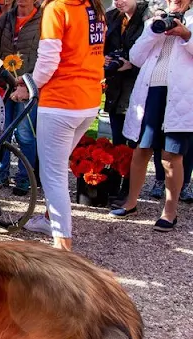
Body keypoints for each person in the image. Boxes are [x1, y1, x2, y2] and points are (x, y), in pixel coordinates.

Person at [11, 0, 106, 250]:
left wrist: (28, 86)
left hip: (62, 101)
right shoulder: (92, 7)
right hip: (88, 100)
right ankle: (48, 219)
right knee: (57, 167)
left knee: (52, 175)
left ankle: (62, 247)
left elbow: (49, 61)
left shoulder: (58, 8)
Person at [110, 0, 193, 232]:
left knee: (171, 156)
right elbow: (136, 57)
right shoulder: (154, 19)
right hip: (151, 93)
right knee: (141, 150)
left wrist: (186, 35)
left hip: (180, 97)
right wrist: (152, 31)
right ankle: (131, 203)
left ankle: (170, 211)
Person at [0, 0, 40, 196]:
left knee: (25, 134)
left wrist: (30, 82)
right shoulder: (6, 18)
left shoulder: (43, 19)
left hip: (28, 85)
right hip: (4, 85)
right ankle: (0, 174)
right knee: (1, 132)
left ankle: (24, 178)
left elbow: (45, 56)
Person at [103, 0, 151, 202]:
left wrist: (131, 65)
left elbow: (155, 54)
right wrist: (104, 58)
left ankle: (129, 189)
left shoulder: (148, 17)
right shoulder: (111, 16)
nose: (119, 1)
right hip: (115, 86)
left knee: (134, 141)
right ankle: (113, 184)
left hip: (138, 86)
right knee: (117, 140)